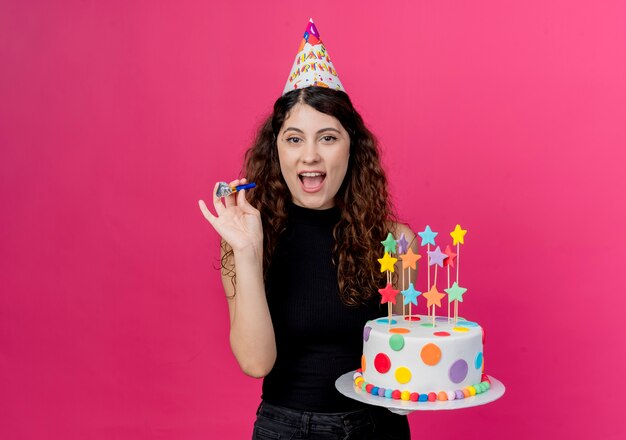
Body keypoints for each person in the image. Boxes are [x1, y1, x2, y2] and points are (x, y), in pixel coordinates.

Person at [199, 20, 416, 440]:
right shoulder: (243, 239)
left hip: (376, 428)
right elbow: (255, 363)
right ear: (275, 147)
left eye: (328, 137)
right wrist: (246, 251)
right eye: (294, 139)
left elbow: (400, 376)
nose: (310, 156)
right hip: (285, 429)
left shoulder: (396, 241)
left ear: (352, 148)